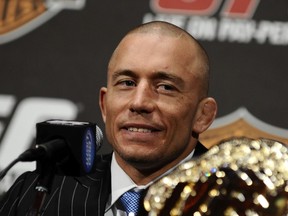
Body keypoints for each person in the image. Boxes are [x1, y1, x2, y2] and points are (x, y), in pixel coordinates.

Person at [0, 21, 217, 216]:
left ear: (203, 115)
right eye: (127, 83)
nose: (139, 103)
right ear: (104, 104)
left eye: (165, 87)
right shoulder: (38, 192)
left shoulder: (236, 201)